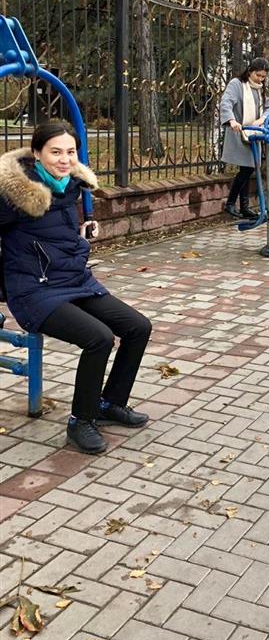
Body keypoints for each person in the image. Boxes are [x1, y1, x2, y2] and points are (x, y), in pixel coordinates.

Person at [0, 122, 152, 454]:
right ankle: (80, 422)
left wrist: (81, 238)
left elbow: (58, 236)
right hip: (33, 291)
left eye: (70, 152)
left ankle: (110, 403)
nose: (65, 159)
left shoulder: (70, 187)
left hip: (73, 281)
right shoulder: (14, 195)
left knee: (138, 327)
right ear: (36, 153)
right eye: (55, 152)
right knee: (99, 338)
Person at [219, 58, 269, 219]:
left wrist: (262, 119)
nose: (260, 79)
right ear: (250, 71)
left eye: (263, 77)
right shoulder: (237, 84)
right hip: (239, 133)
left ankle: (244, 207)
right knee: (247, 168)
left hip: (253, 134)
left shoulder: (260, 90)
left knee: (247, 169)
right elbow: (226, 103)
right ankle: (230, 204)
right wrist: (231, 120)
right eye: (258, 75)